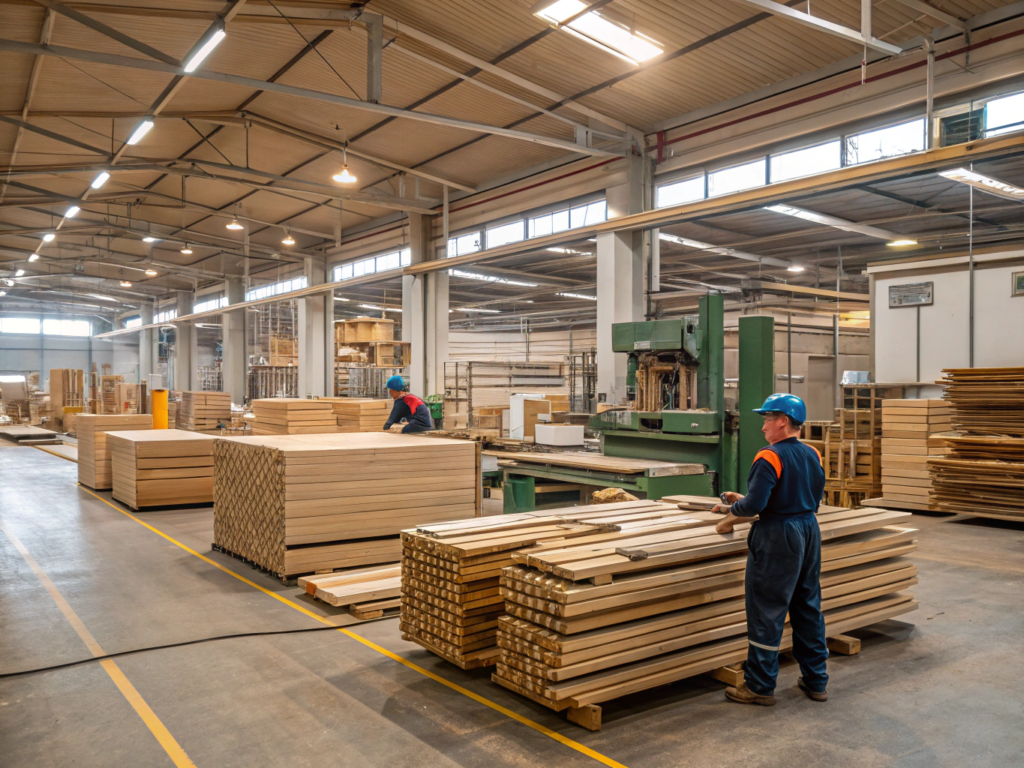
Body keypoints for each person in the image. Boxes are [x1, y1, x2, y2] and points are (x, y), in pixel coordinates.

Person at [712, 393, 828, 707]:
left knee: (767, 610)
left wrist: (734, 510)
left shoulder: (769, 456)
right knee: (807, 606)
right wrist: (746, 500)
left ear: (783, 421)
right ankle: (816, 681)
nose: (763, 427)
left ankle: (760, 686)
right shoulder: (813, 454)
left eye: (767, 419)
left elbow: (756, 505)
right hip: (808, 530)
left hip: (778, 536)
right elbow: (806, 495)